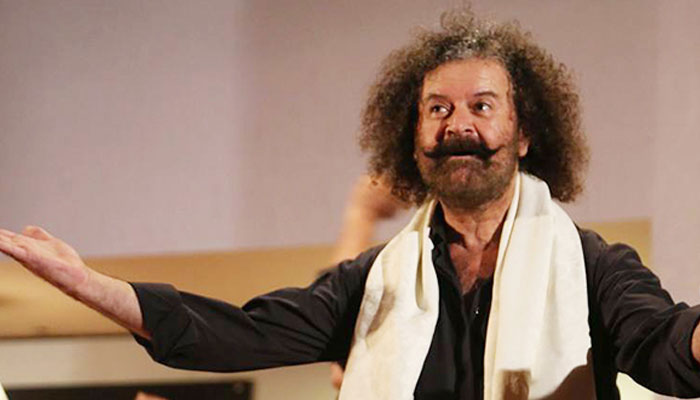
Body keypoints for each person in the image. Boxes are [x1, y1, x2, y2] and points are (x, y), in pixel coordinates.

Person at [1, 8, 700, 400]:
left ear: (524, 136)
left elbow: (665, 344)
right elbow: (237, 333)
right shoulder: (370, 281)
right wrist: (93, 287)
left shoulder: (594, 265)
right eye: (437, 108)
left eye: (482, 106)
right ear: (413, 139)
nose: (458, 124)